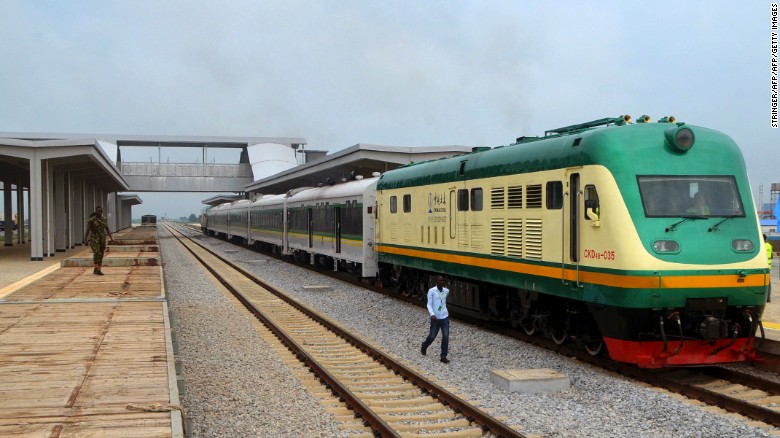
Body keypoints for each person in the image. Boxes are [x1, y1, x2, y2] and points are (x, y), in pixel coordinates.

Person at [421, 275, 450, 364]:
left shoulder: (446, 291)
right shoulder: (431, 291)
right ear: (436, 282)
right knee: (432, 336)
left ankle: (443, 356)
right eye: (440, 280)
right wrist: (432, 314)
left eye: (443, 280)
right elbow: (429, 304)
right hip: (435, 319)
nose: (442, 282)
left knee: (445, 336)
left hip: (445, 317)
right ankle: (424, 345)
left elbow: (443, 302)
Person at [83, 206, 113, 275]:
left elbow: (107, 228)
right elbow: (87, 230)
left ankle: (97, 269)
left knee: (101, 254)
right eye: (99, 211)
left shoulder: (104, 219)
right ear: (95, 211)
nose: (100, 213)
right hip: (94, 239)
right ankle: (96, 269)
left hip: (102, 239)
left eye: (101, 211)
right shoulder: (92, 220)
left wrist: (111, 237)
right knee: (97, 253)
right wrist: (85, 240)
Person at [765, 234, 773, 303]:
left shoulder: (761, 246)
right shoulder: (770, 246)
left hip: (761, 266)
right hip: (768, 266)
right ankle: (768, 298)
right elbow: (772, 256)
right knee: (768, 282)